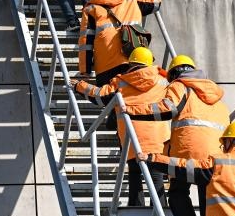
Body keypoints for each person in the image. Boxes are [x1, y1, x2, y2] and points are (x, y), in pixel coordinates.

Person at [125, 54, 228, 216]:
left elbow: (166, 108)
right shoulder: (217, 98)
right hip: (216, 158)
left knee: (177, 192)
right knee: (208, 197)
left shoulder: (180, 85)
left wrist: (131, 111)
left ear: (174, 74)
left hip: (188, 152)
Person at [70, 47, 187, 207]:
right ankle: (160, 213)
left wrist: (79, 86)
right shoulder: (164, 81)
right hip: (160, 140)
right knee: (157, 176)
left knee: (135, 173)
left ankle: (136, 207)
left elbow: (100, 96)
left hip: (132, 139)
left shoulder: (121, 82)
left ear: (131, 63)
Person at [77, 0, 162, 87]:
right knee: (133, 97)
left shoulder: (91, 8)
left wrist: (85, 69)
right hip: (134, 60)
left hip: (106, 66)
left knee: (109, 100)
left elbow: (86, 41)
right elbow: (155, 4)